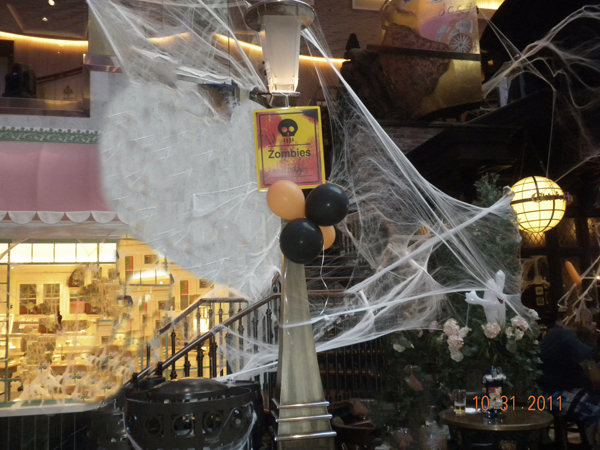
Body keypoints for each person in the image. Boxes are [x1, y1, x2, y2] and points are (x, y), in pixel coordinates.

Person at [540, 321, 600, 446]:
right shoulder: (562, 335)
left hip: (564, 390)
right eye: (590, 318)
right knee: (594, 408)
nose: (594, 324)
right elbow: (591, 358)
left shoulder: (568, 336)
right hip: (548, 396)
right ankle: (590, 445)